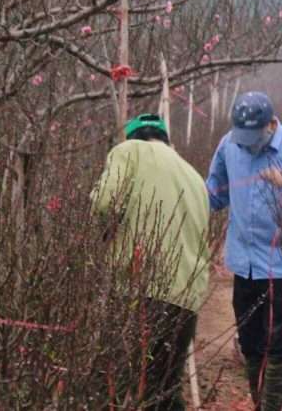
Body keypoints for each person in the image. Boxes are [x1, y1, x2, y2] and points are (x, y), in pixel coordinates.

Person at [205, 92, 282, 411]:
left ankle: (269, 407)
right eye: (242, 138)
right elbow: (215, 194)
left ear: (272, 124)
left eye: (254, 137)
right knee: (250, 341)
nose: (248, 144)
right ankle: (260, 402)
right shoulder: (229, 145)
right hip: (243, 263)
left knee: (279, 345)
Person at [90, 113, 210, 411]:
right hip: (186, 296)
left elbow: (104, 203)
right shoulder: (194, 176)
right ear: (167, 141)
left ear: (133, 138)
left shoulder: (129, 151)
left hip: (140, 286)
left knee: (107, 384)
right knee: (164, 391)